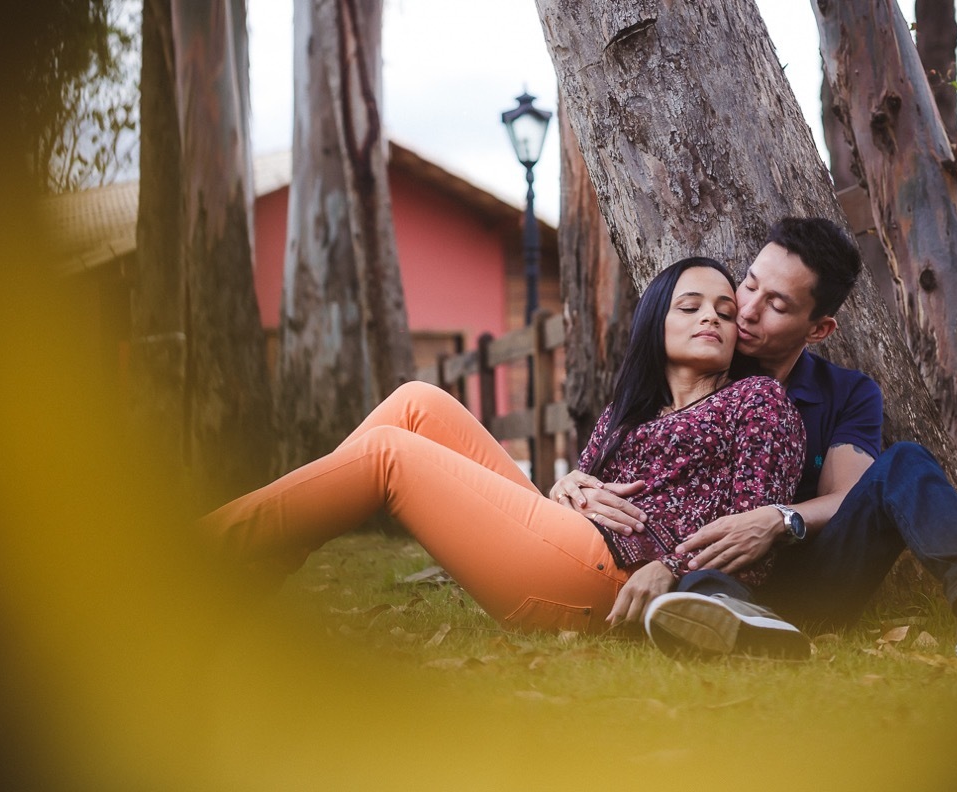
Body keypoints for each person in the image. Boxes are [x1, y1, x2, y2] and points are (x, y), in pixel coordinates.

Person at [201, 258, 805, 635]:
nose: (714, 319)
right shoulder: (630, 410)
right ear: (657, 322)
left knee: (389, 453)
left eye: (726, 312)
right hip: (570, 543)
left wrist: (669, 571)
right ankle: (257, 567)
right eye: (691, 306)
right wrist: (565, 486)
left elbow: (754, 539)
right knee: (417, 402)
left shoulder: (757, 402)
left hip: (615, 576)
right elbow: (566, 496)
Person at [629, 217, 957, 660]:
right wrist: (575, 485)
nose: (747, 310)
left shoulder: (848, 392)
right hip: (708, 574)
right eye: (750, 285)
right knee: (708, 585)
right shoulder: (697, 360)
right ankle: (737, 622)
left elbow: (849, 494)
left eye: (777, 305)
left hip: (816, 581)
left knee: (905, 461)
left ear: (818, 329)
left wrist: (779, 519)